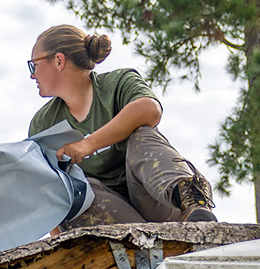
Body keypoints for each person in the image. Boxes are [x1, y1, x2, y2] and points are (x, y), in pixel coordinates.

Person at [28, 24, 217, 226]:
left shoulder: (118, 83)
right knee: (73, 190)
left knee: (142, 135)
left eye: (34, 65)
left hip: (160, 205)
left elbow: (150, 109)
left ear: (58, 61)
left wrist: (88, 144)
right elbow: (48, 195)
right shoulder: (43, 124)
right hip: (113, 221)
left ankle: (194, 202)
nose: (32, 75)